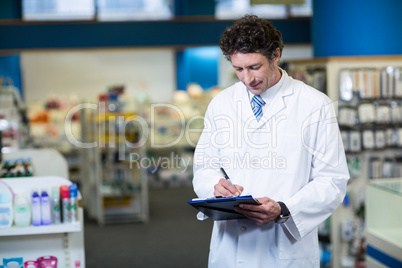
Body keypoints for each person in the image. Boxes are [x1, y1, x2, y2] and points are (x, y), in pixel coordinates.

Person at [192, 15, 349, 267]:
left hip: (284, 244)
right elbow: (205, 165)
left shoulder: (314, 105)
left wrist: (284, 208)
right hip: (231, 246)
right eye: (238, 69)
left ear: (276, 54)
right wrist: (215, 188)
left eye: (255, 67)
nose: (247, 78)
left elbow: (332, 179)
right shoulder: (222, 102)